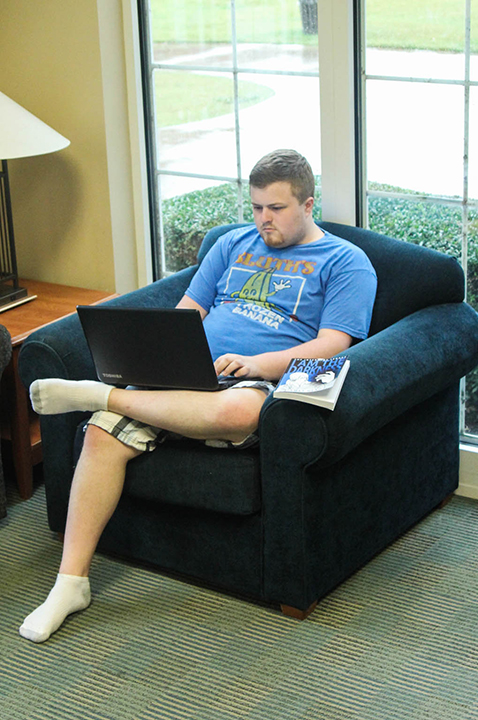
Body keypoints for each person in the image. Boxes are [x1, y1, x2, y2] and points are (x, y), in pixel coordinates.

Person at [19, 149, 377, 643]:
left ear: (308, 204)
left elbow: (333, 344)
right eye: (257, 207)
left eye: (276, 208)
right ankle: (70, 583)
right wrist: (159, 359)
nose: (264, 219)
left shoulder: (345, 262)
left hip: (257, 377)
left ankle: (100, 396)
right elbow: (187, 314)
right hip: (190, 370)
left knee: (239, 412)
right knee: (101, 438)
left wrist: (258, 364)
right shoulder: (232, 244)